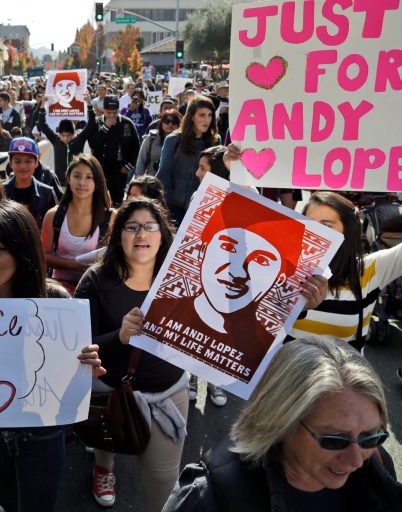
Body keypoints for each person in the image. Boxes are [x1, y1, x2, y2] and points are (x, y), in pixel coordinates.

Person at [0, 200, 104, 512]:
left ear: (22, 251)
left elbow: (68, 381)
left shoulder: (55, 299)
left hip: (42, 433)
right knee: (7, 499)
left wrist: (84, 367)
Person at [163, 337, 402, 512]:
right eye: (335, 439)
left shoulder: (378, 467)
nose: (356, 460)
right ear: (281, 421)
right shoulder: (210, 496)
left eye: (370, 436)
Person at [74, 197, 188, 510]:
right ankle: (103, 468)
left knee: (164, 480)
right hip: (109, 390)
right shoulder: (95, 280)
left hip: (168, 392)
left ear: (163, 235)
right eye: (132, 226)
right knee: (105, 439)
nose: (141, 234)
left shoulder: (184, 280)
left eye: (150, 226)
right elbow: (79, 345)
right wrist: (119, 337)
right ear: (118, 235)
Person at [142, 192, 307, 375]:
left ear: (279, 279)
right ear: (202, 251)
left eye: (261, 260)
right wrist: (122, 335)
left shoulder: (265, 351)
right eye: (228, 247)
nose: (237, 272)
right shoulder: (153, 313)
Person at [290, 192, 402, 352]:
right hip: (287, 374)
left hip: (343, 376)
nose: (315, 233)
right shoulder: (283, 269)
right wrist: (296, 310)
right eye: (310, 224)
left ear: (348, 232)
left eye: (326, 226)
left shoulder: (368, 269)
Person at [41, 154, 113, 293]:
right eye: (77, 176)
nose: (82, 183)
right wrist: (73, 265)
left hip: (94, 290)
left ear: (97, 181)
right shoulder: (53, 215)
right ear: (68, 179)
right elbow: (44, 256)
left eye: (89, 177)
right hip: (58, 290)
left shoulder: (109, 217)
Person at [155, 95, 220, 226]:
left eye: (209, 115)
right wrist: (164, 207)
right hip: (172, 207)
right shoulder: (173, 140)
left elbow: (217, 177)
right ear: (192, 117)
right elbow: (163, 176)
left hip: (200, 209)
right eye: (202, 115)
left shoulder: (215, 141)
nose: (206, 120)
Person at [88, 95, 140, 207]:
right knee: (100, 202)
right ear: (103, 110)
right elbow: (92, 143)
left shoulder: (127, 123)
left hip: (119, 172)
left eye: (115, 112)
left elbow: (136, 146)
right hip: (101, 171)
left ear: (119, 110)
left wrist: (128, 166)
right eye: (108, 113)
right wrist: (105, 127)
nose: (112, 116)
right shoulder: (97, 122)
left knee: (117, 203)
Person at [36, 96, 97, 186]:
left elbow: (91, 125)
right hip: (60, 183)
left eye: (68, 135)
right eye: (63, 135)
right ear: (59, 134)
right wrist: (42, 105)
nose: (65, 138)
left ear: (73, 133)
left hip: (77, 183)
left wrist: (89, 104)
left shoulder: (79, 139)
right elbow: (42, 125)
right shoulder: (55, 140)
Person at [3, 137, 57, 229]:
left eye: (28, 161)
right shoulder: (0, 191)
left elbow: (55, 227)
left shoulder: (47, 194)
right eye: (17, 161)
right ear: (10, 163)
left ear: (36, 162)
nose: (23, 166)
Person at [133, 110, 182, 181]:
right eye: (167, 121)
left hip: (172, 183)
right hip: (151, 181)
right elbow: (141, 160)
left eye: (174, 122)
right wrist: (138, 180)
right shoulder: (151, 138)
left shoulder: (182, 141)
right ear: (161, 122)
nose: (170, 124)